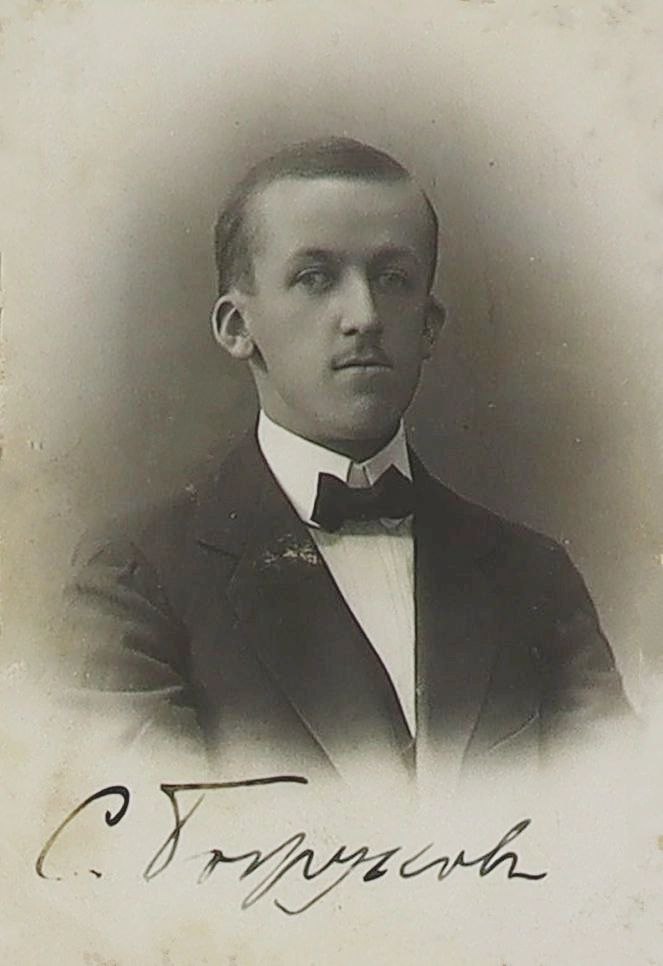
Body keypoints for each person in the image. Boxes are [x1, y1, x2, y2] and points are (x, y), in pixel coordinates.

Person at [66, 136, 631, 786]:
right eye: (315, 278)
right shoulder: (138, 579)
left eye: (392, 280)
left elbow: (616, 818)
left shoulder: (535, 578)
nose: (364, 316)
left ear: (428, 325)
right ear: (236, 327)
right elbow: (152, 832)